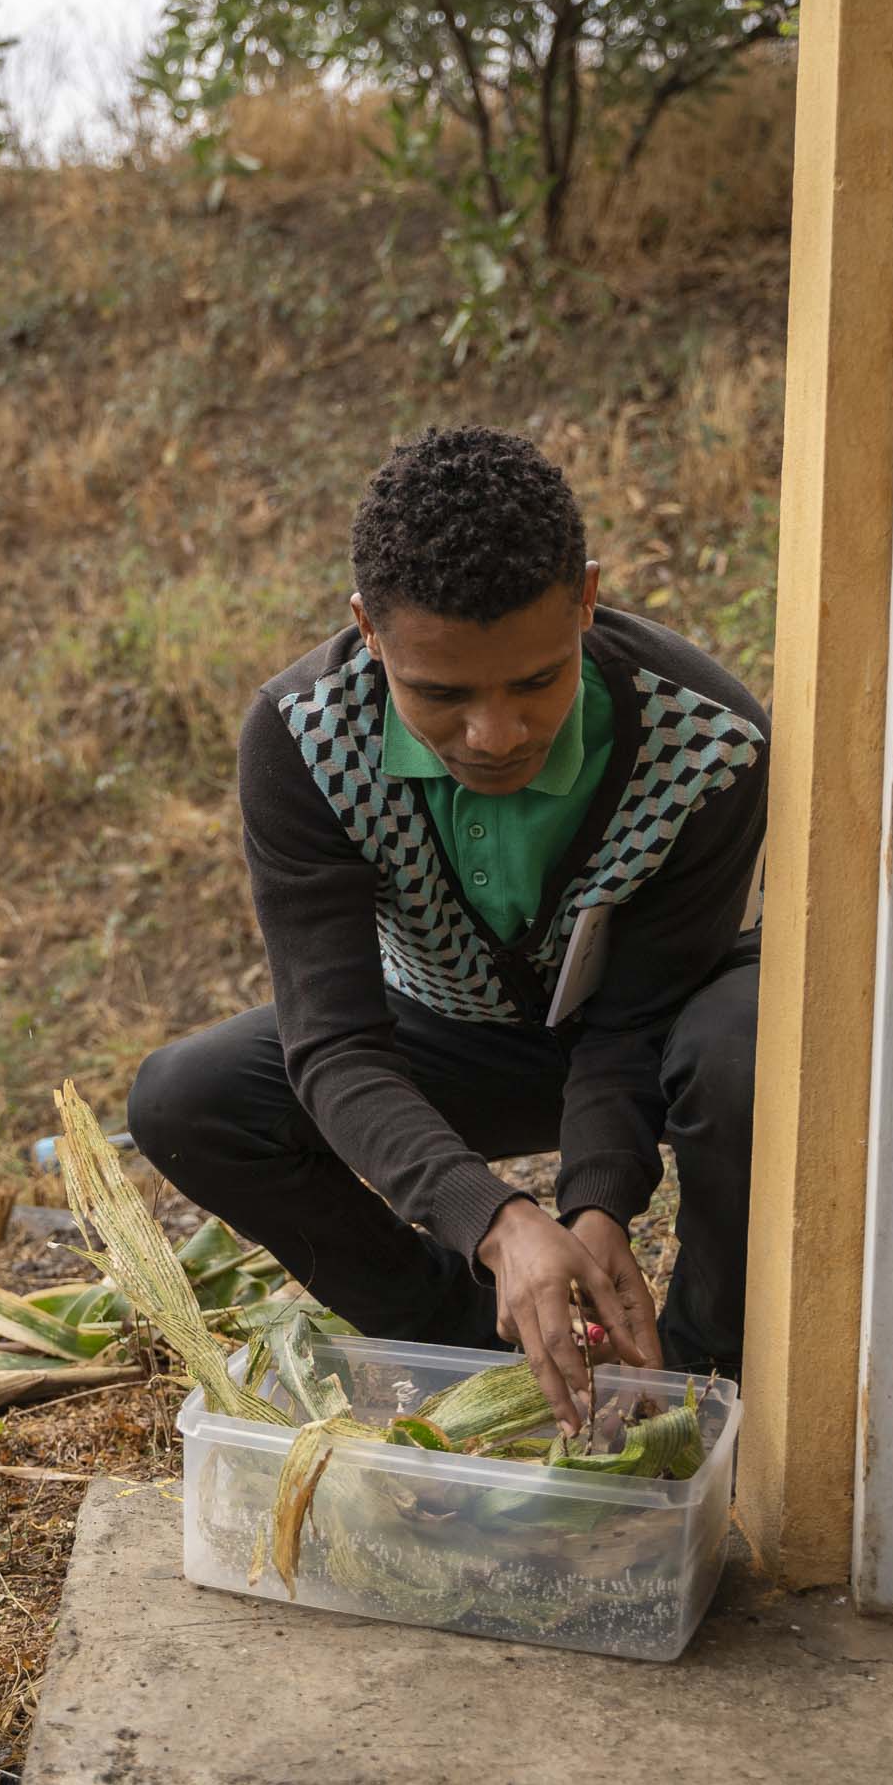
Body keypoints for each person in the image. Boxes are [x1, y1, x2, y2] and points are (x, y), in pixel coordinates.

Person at [126, 428, 765, 1430]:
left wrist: (596, 1209)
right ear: (368, 631)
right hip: (447, 1035)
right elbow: (335, 1042)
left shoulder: (707, 744)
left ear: (587, 601)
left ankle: (705, 1368)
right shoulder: (304, 740)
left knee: (747, 1045)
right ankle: (482, 1346)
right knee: (186, 1098)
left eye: (537, 681)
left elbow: (633, 1019)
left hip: (658, 1036)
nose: (496, 733)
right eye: (442, 693)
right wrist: (501, 1225)